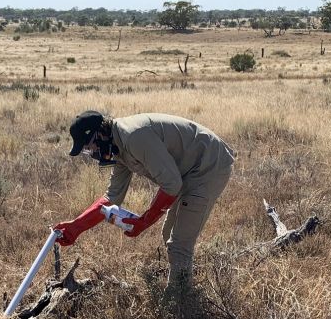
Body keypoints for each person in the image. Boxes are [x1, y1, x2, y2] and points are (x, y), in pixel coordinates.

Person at [53, 111, 235, 291]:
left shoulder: (133, 136)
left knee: (179, 244)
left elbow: (171, 184)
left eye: (89, 147)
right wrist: (76, 226)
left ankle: (180, 302)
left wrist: (145, 221)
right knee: (168, 233)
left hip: (208, 165)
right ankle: (182, 279)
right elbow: (111, 198)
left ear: (100, 134)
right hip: (186, 171)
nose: (91, 153)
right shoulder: (117, 146)